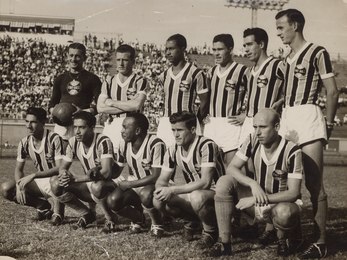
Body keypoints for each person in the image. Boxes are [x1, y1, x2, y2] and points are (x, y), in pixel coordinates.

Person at [275, 9, 339, 259]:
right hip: (289, 117)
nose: (278, 33)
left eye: (281, 27)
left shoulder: (317, 51)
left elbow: (332, 91)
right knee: (283, 178)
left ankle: (321, 242)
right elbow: (288, 92)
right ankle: (293, 235)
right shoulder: (286, 58)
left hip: (309, 116)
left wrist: (329, 123)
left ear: (296, 25)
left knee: (313, 183)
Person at [213, 108, 303, 257]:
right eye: (255, 127)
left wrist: (256, 199)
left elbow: (293, 193)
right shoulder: (252, 140)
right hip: (257, 199)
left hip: (279, 204)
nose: (257, 132)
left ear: (277, 127)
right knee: (223, 182)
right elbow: (232, 168)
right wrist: (252, 184)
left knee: (284, 213)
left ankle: (285, 237)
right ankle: (225, 243)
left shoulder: (292, 150)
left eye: (262, 127)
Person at [153, 111, 225, 249]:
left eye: (179, 130)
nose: (176, 135)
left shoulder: (206, 145)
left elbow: (205, 182)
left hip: (218, 193)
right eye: (173, 130)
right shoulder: (173, 149)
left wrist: (172, 189)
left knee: (197, 196)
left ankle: (210, 231)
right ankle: (192, 220)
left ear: (193, 129)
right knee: (158, 200)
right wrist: (160, 190)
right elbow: (162, 179)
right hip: (194, 193)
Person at [50, 111, 119, 229]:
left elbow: (106, 172)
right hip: (88, 184)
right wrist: (64, 174)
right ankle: (87, 214)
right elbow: (62, 167)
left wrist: (76, 178)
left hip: (108, 187)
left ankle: (110, 217)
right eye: (75, 127)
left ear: (92, 128)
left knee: (97, 186)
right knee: (55, 182)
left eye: (82, 127)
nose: (77, 131)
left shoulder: (103, 141)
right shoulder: (73, 142)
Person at [0, 107, 64, 224]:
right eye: (27, 121)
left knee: (56, 181)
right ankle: (42, 205)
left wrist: (34, 175)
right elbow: (19, 169)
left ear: (43, 122)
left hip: (58, 183)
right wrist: (19, 187)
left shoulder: (54, 139)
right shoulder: (24, 142)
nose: (29, 126)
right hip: (41, 182)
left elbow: (60, 168)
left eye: (33, 122)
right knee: (6, 189)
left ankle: (58, 213)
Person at [107, 112, 166, 237]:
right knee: (113, 200)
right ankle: (139, 219)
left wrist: (129, 184)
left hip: (155, 184)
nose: (121, 131)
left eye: (125, 127)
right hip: (135, 184)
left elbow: (156, 176)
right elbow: (116, 171)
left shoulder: (155, 143)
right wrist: (107, 165)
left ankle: (157, 222)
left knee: (145, 194)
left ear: (138, 130)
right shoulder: (124, 143)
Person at [157, 34, 209, 147]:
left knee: (188, 158)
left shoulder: (196, 73)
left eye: (171, 49)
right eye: (166, 49)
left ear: (182, 48)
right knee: (164, 159)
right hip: (166, 122)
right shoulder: (164, 75)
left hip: (186, 123)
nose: (167, 53)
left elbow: (205, 102)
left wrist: (194, 120)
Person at [204, 34, 247, 165]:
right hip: (211, 123)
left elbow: (255, 93)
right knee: (210, 166)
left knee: (232, 167)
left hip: (231, 123)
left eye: (220, 49)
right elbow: (206, 97)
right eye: (214, 50)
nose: (216, 53)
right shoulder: (211, 72)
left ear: (230, 49)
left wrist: (245, 114)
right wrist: (202, 115)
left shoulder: (242, 71)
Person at [97, 44, 148, 150]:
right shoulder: (108, 81)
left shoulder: (140, 81)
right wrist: (128, 105)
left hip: (132, 126)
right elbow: (100, 107)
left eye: (125, 60)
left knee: (132, 162)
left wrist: (112, 102)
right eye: (118, 59)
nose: (120, 63)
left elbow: (137, 105)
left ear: (133, 61)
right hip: (112, 125)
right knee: (109, 161)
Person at [239, 27, 285, 145]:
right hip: (249, 123)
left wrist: (281, 101)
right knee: (245, 161)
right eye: (244, 46)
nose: (246, 49)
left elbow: (295, 86)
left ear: (261, 44)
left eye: (249, 44)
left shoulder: (277, 65)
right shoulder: (249, 71)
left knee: (263, 161)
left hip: (266, 124)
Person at [49, 42, 102, 142]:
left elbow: (100, 105)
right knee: (60, 154)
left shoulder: (93, 79)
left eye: (77, 56)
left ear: (84, 58)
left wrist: (83, 111)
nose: (73, 59)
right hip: (62, 125)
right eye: (71, 55)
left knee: (81, 154)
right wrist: (56, 112)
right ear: (67, 56)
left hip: (82, 124)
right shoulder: (60, 78)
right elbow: (52, 103)